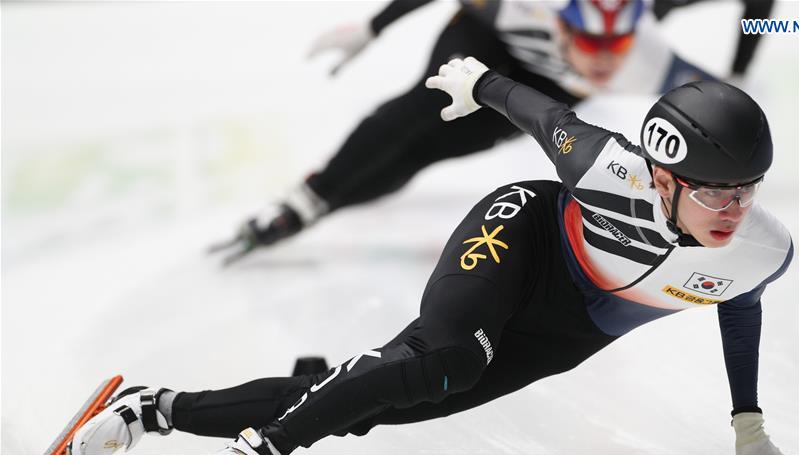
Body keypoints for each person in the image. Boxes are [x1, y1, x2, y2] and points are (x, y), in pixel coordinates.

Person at [68, 57, 799, 455]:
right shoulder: (605, 166)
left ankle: (155, 409)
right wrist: (477, 81)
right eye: (714, 192)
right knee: (441, 359)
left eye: (747, 190)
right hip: (521, 235)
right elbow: (543, 113)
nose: (733, 211)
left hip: (567, 332)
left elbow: (740, 307)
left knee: (382, 399)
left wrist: (748, 423)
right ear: (662, 176)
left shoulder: (760, 247)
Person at [212, 0, 719, 263]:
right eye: (590, 39)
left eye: (619, 42)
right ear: (562, 26)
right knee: (426, 106)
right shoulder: (521, 6)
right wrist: (373, 26)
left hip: (536, 83)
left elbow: (718, 112)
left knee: (432, 149)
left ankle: (318, 204)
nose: (606, 56)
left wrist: (744, 64)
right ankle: (305, 199)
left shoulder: (652, 64)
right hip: (485, 41)